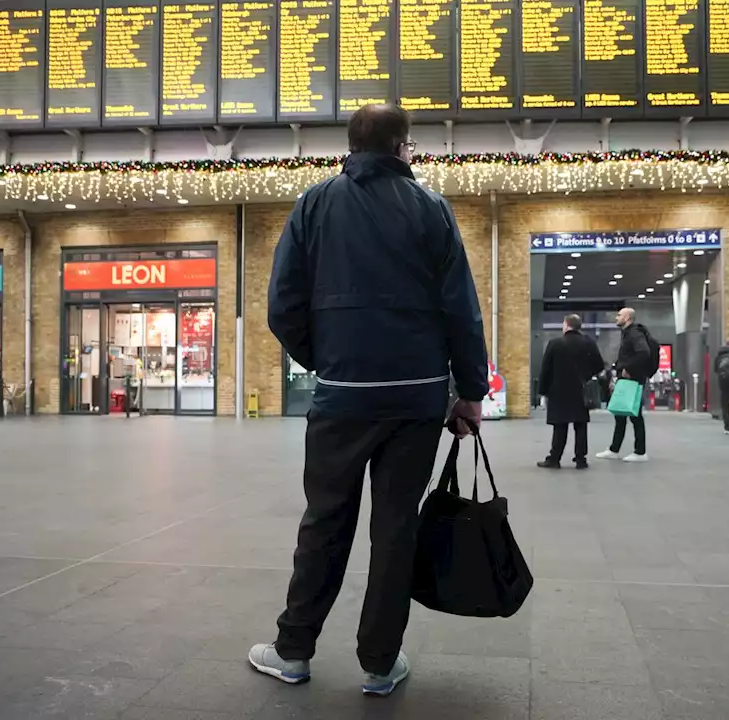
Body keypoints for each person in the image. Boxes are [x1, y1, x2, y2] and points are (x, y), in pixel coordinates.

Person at [254, 104, 489, 696]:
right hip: (416, 402)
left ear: (353, 145)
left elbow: (282, 305)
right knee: (395, 530)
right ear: (403, 146)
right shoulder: (432, 210)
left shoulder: (313, 205)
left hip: (341, 401)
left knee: (325, 523)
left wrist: (326, 360)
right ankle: (381, 663)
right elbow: (460, 308)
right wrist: (469, 392)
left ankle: (293, 652)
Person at [537, 314, 604, 469]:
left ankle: (554, 458)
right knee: (581, 424)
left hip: (558, 390)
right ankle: (581, 459)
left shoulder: (555, 343)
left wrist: (543, 390)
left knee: (560, 426)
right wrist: (586, 375)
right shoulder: (589, 343)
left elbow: (546, 369)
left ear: (567, 325)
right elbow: (599, 365)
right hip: (581, 390)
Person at [595, 307, 652, 462]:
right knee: (620, 413)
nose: (616, 317)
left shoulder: (634, 333)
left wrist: (629, 368)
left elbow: (644, 352)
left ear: (627, 318)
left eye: (619, 315)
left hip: (633, 379)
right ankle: (614, 449)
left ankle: (640, 452)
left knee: (635, 415)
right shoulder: (627, 333)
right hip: (627, 378)